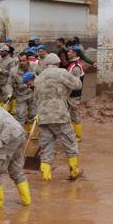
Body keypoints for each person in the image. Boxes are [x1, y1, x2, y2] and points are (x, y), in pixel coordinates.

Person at [33, 54, 82, 182]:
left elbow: (35, 99)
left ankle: (46, 176)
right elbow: (78, 85)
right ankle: (74, 170)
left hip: (43, 116)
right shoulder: (62, 73)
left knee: (46, 146)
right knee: (70, 143)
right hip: (59, 115)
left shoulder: (39, 78)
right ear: (57, 63)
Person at [10, 53, 37, 133]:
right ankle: (20, 133)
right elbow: (9, 83)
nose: (22, 62)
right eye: (20, 61)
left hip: (33, 94)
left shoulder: (35, 67)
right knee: (20, 114)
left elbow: (41, 77)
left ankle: (32, 133)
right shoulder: (14, 71)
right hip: (21, 95)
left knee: (33, 114)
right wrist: (9, 93)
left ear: (27, 60)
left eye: (24, 60)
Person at [66, 46, 85, 142]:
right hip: (71, 94)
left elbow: (77, 83)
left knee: (75, 114)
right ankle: (74, 134)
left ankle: (77, 136)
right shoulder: (73, 64)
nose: (68, 53)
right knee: (71, 114)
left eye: (70, 51)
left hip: (74, 95)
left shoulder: (76, 67)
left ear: (75, 53)